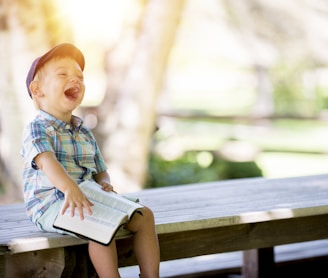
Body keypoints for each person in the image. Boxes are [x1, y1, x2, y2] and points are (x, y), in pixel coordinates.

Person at [21, 43, 160, 278]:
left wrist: (104, 182)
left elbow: (99, 169)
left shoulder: (82, 129)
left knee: (144, 216)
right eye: (63, 74)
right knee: (100, 226)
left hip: (87, 196)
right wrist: (70, 188)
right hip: (52, 204)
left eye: (79, 76)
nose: (74, 80)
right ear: (38, 90)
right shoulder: (37, 128)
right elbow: (47, 162)